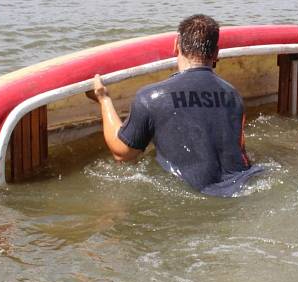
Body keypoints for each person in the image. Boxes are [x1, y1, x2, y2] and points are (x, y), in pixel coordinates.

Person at [89, 14, 263, 196]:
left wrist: (103, 99)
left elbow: (122, 153)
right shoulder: (232, 95)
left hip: (202, 194)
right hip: (246, 183)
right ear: (216, 53)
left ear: (176, 45)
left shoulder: (151, 97)